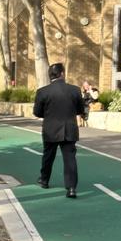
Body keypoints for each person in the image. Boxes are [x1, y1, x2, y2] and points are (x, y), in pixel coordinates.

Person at [33, 63, 85, 198]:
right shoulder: (75, 90)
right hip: (69, 128)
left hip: (51, 128)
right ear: (62, 74)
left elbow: (37, 112)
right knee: (70, 159)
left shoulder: (43, 91)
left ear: (50, 75)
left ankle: (44, 180)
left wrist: (49, 114)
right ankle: (71, 188)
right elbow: (80, 110)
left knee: (48, 156)